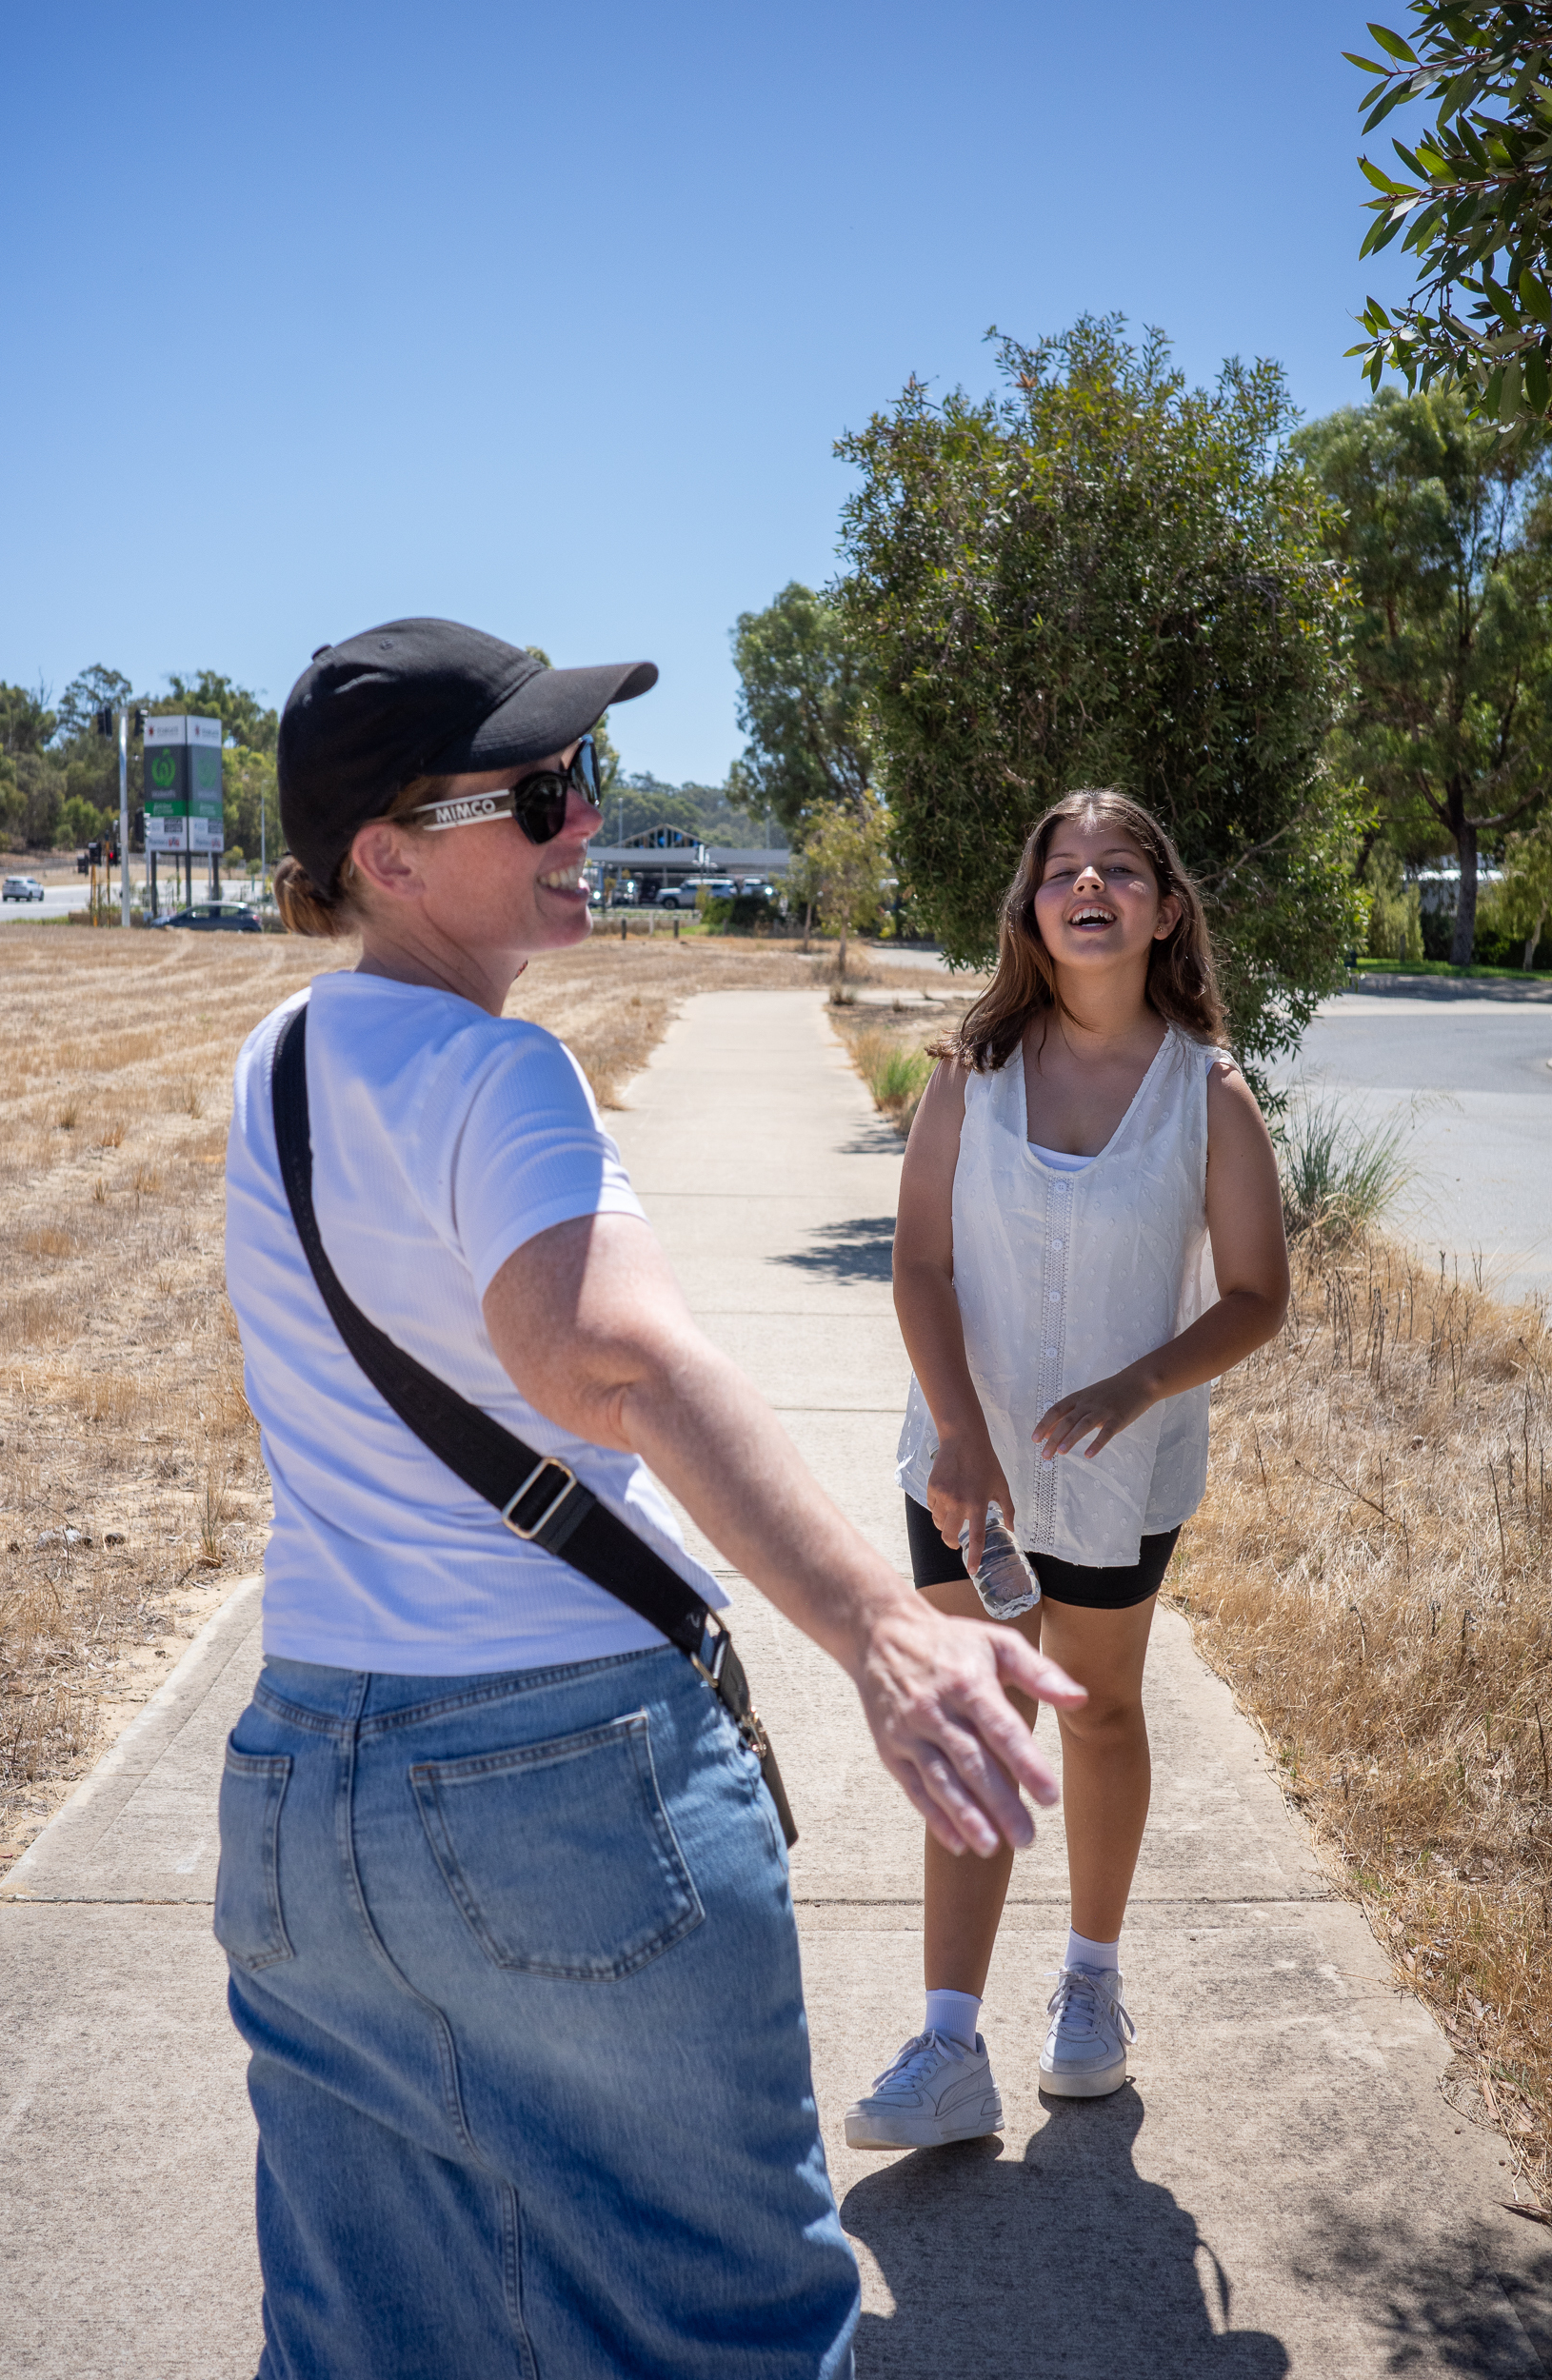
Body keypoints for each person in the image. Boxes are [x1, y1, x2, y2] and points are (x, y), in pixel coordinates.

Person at [216, 618, 1087, 2379]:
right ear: (386, 859)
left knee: (376, 2344)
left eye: (584, 781)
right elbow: (596, 1355)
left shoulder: (283, 1063)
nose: (586, 822)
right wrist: (885, 1638)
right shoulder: (500, 1073)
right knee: (729, 2338)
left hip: (301, 1788)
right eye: (536, 795)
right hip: (559, 1790)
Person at [846, 790, 1289, 2151]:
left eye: (1121, 868)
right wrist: (962, 1428)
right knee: (978, 1730)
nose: (1088, 884)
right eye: (1061, 868)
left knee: (1097, 1713)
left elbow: (1260, 1293)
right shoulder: (967, 1071)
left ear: (1165, 909)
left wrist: (1135, 1384)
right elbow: (918, 1264)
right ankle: (946, 2044)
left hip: (1117, 1471)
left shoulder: (1208, 1093)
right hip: (964, 1470)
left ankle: (1090, 1988)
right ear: (1030, 908)